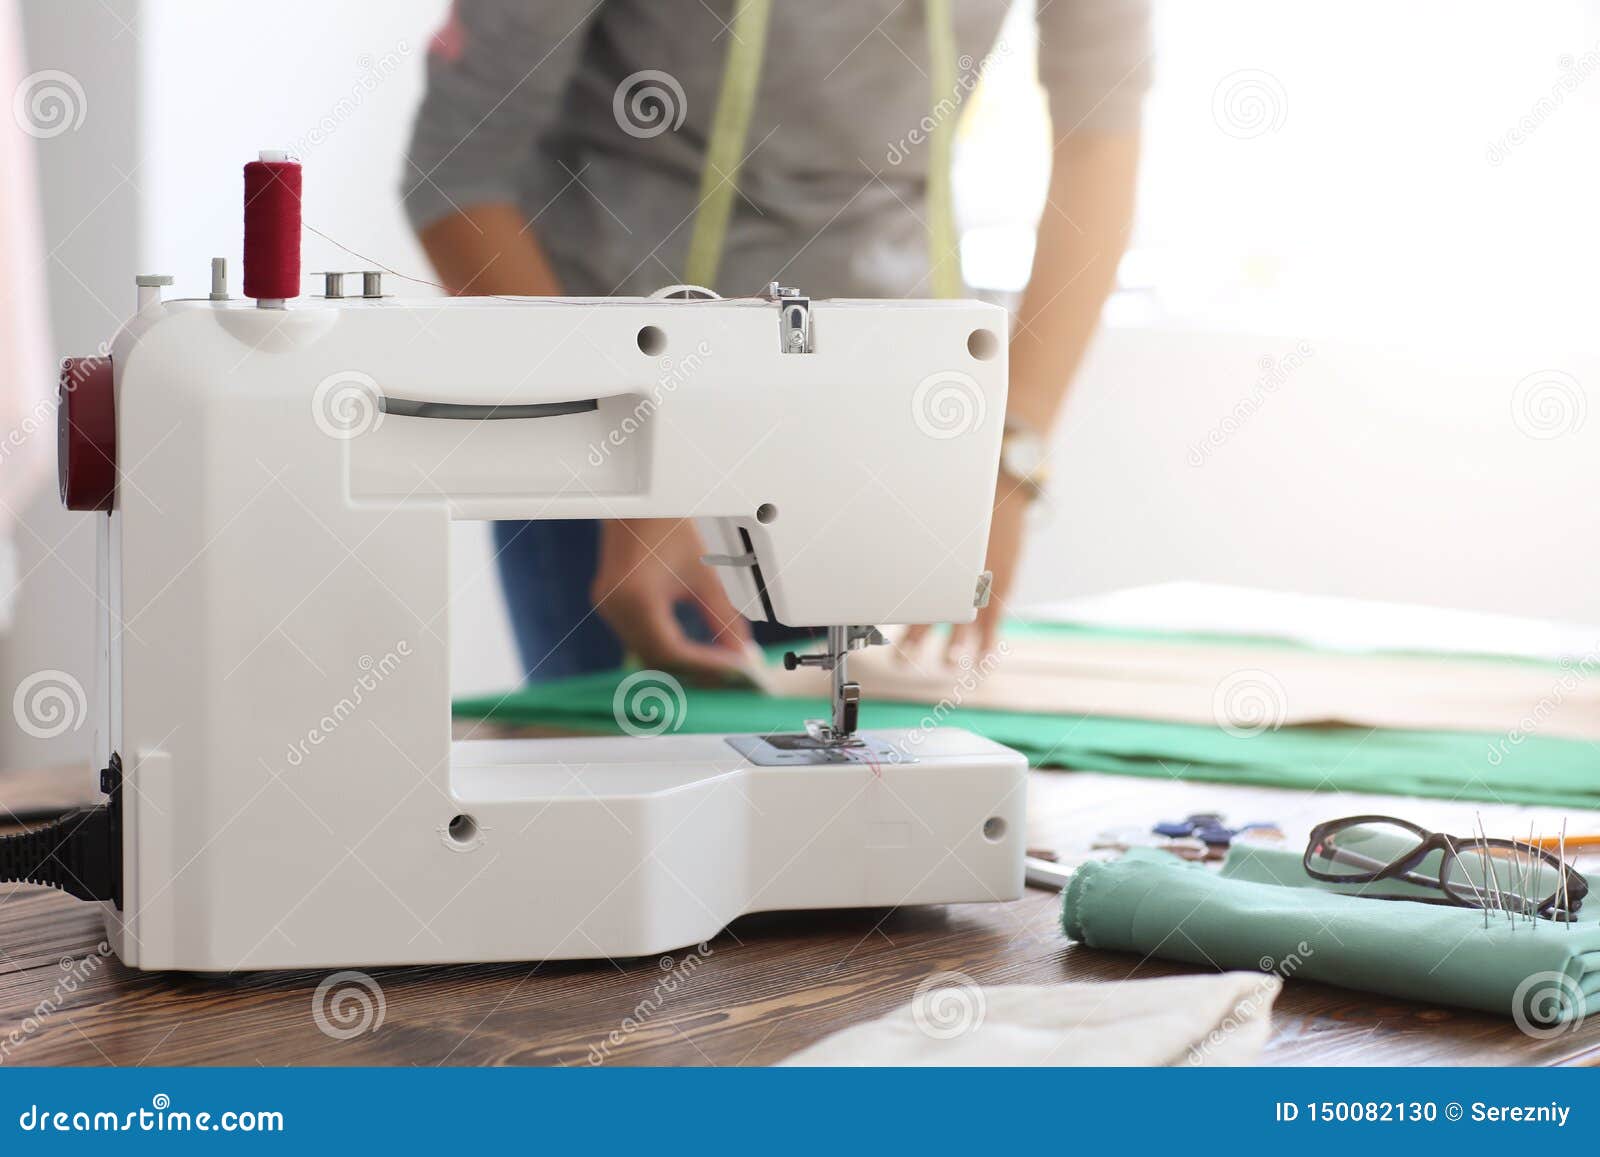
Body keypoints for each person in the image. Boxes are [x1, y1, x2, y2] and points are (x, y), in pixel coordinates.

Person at [404, 0, 1149, 683]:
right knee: (630, 790)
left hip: (873, 406)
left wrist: (1010, 449)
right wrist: (626, 465)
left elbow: (1101, 136)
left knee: (859, 778)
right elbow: (456, 165)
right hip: (600, 397)